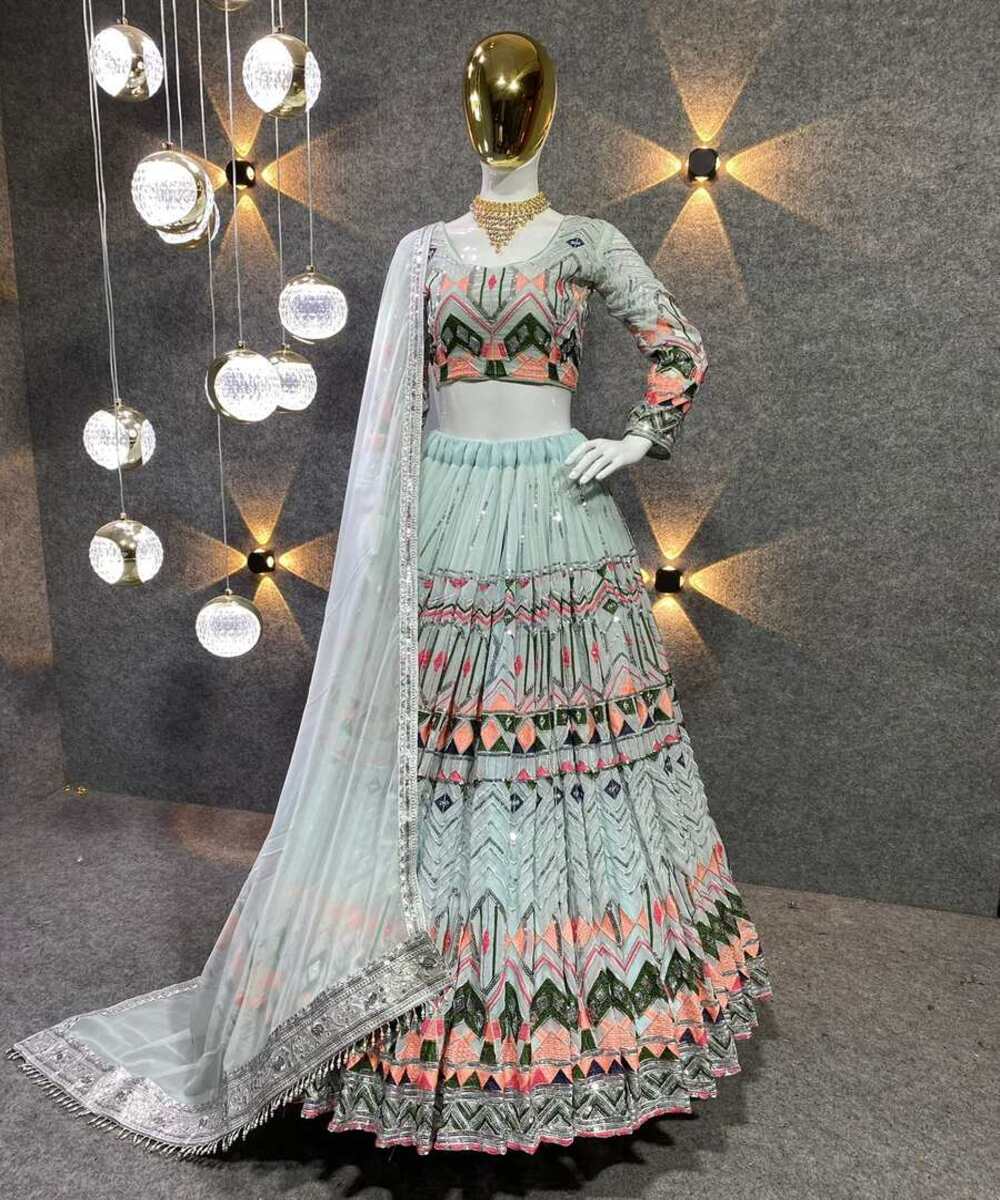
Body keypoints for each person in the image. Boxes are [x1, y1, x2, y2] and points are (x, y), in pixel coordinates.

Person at [7, 31, 772, 1158]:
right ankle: (404, 1003)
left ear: (545, 115)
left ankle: (574, 1007)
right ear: (469, 114)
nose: (500, 115)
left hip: (554, 507)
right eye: (485, 97)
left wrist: (633, 441)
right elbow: (401, 406)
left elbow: (680, 347)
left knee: (566, 739)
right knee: (439, 737)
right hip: (453, 505)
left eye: (518, 98)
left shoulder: (586, 242)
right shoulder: (424, 251)